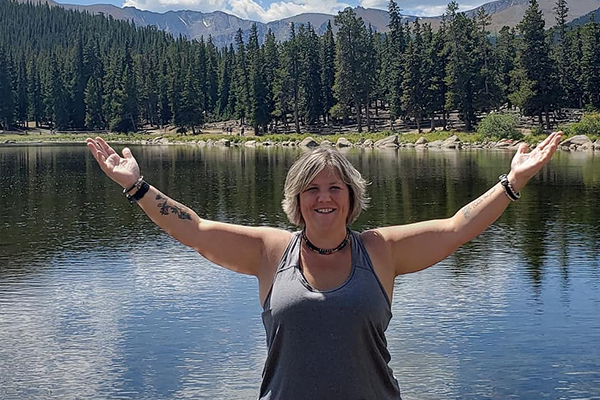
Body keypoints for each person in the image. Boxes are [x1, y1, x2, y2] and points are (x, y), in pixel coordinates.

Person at [86, 131, 563, 400]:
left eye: (335, 187)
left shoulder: (381, 251)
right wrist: (137, 187)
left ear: (351, 197)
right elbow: (196, 230)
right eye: (312, 188)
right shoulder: (270, 252)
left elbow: (458, 226)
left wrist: (511, 182)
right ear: (297, 200)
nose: (324, 197)